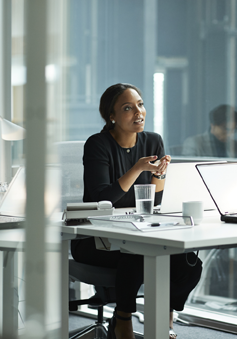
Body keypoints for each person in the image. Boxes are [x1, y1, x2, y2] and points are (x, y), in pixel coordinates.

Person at [70, 83, 203, 339]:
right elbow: (102, 199)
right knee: (138, 255)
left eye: (140, 105)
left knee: (189, 263)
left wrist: (160, 173)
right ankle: (122, 319)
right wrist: (137, 169)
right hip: (94, 238)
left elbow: (157, 200)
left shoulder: (153, 141)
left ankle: (166, 316)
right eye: (128, 108)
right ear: (112, 116)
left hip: (137, 229)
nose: (138, 112)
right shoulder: (97, 144)